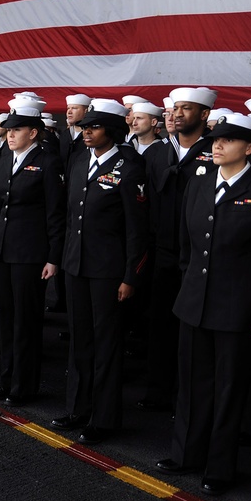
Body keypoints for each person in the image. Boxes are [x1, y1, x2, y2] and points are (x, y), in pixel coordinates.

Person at [156, 112, 251, 496]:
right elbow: (187, 247)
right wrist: (188, 291)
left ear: (249, 148)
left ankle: (220, 466)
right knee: (191, 385)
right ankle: (185, 454)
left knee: (229, 391)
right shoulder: (199, 184)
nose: (216, 145)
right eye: (215, 139)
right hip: (195, 303)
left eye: (228, 141)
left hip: (237, 308)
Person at [53, 98, 148, 444]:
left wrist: (130, 276)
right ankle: (77, 407)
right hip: (77, 264)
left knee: (107, 344)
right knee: (80, 339)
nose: (86, 131)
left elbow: (137, 230)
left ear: (113, 130)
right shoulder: (79, 161)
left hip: (109, 271)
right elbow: (69, 216)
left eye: (94, 126)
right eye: (85, 126)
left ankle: (104, 419)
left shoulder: (130, 166)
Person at [139, 87, 218, 412]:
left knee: (193, 330)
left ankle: (188, 396)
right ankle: (157, 389)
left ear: (204, 115)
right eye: (175, 108)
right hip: (161, 250)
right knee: (158, 323)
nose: (178, 113)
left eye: (187, 108)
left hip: (199, 257)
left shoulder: (215, 153)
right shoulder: (158, 154)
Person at [0, 94, 65, 405]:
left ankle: (25, 385)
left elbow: (56, 213)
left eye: (16, 130)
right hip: (5, 250)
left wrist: (53, 256)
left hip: (31, 254)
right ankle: (7, 379)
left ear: (33, 132)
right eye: (8, 130)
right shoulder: (6, 159)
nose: (10, 135)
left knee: (26, 322)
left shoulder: (47, 162)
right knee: (6, 319)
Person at [60, 94, 90, 176]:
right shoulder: (64, 135)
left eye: (74, 108)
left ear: (86, 111)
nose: (69, 112)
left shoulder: (91, 136)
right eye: (68, 108)